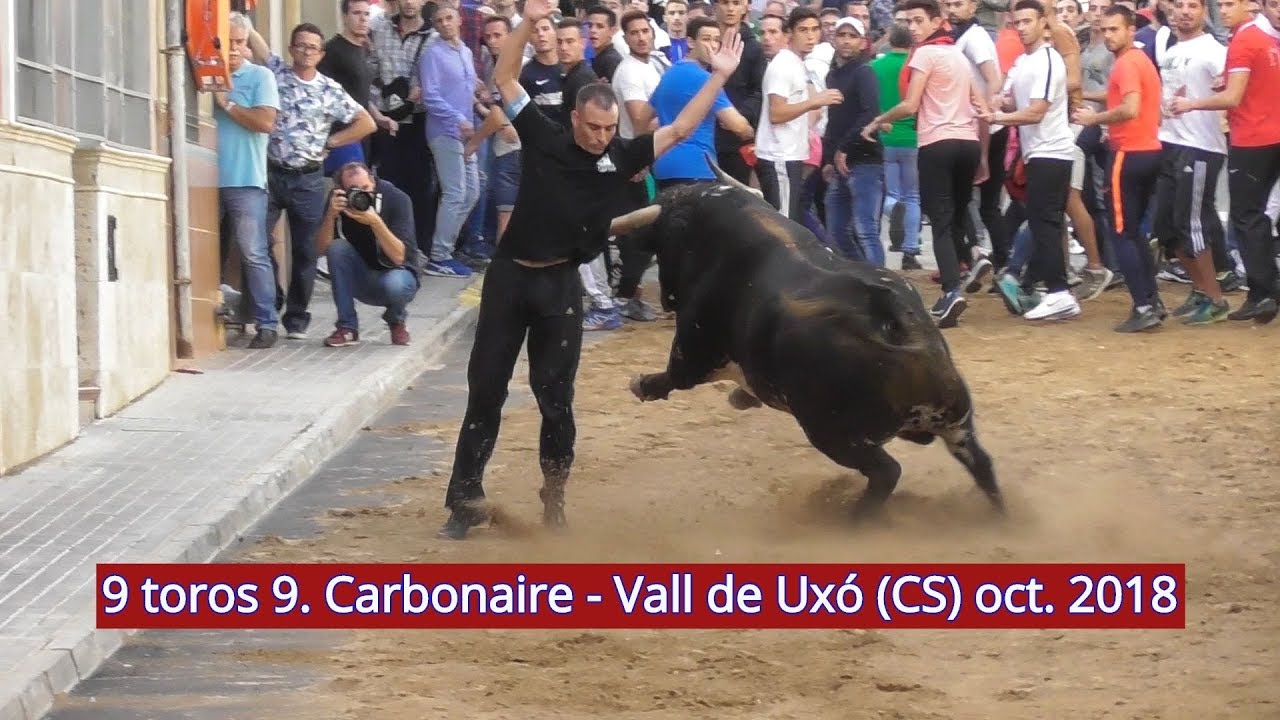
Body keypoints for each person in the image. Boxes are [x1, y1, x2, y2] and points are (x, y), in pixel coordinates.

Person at [438, 0, 744, 540]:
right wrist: (528, 24)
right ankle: (464, 500)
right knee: (484, 390)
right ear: (576, 118)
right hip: (510, 278)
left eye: (609, 128)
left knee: (556, 399)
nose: (602, 136)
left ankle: (553, 497)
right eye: (594, 127)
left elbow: (680, 129)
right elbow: (505, 76)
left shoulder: (622, 156)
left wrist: (717, 77)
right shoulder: (544, 134)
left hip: (560, 285)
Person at [862, 0, 989, 329]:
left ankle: (951, 291)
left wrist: (879, 119)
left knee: (942, 222)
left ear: (937, 22)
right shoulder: (958, 54)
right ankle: (974, 255)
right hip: (968, 142)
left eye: (919, 21)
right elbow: (981, 102)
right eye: (909, 21)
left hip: (938, 142)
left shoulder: (924, 54)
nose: (913, 27)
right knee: (958, 213)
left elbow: (910, 104)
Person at [986, 0, 1083, 321]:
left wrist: (1000, 115)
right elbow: (1008, 95)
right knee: (1044, 222)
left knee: (1045, 223)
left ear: (1044, 24)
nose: (1023, 27)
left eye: (1029, 21)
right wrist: (996, 102)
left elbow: (1036, 111)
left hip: (1052, 153)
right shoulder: (1024, 63)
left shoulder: (1049, 60)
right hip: (1038, 153)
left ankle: (1058, 292)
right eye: (1019, 22)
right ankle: (1043, 287)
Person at [1072, 3, 1166, 332]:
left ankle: (1143, 305)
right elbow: (1125, 99)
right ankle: (1151, 299)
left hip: (1128, 152)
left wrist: (1092, 118)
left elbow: (1129, 108)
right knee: (1134, 232)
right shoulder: (1139, 60)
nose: (1109, 35)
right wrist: (1090, 95)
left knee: (1121, 232)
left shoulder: (1126, 63)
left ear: (1130, 30)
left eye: (1115, 29)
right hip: (1149, 151)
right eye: (1105, 30)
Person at [216, 12, 281, 349]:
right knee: (207, 253)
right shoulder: (208, 75)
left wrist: (227, 104)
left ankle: (267, 323)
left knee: (254, 252)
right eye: (229, 42)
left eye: (241, 42)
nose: (236, 49)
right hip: (206, 179)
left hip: (245, 179)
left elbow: (266, 122)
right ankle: (218, 317)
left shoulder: (260, 77)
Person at [314, 162, 423, 347]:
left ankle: (396, 320)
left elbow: (399, 257)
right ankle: (347, 327)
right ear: (341, 190)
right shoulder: (337, 202)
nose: (363, 196)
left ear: (373, 181)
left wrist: (375, 222)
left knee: (394, 283)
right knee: (337, 248)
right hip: (362, 276)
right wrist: (331, 215)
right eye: (354, 190)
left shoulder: (397, 199)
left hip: (399, 277)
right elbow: (319, 250)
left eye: (366, 188)